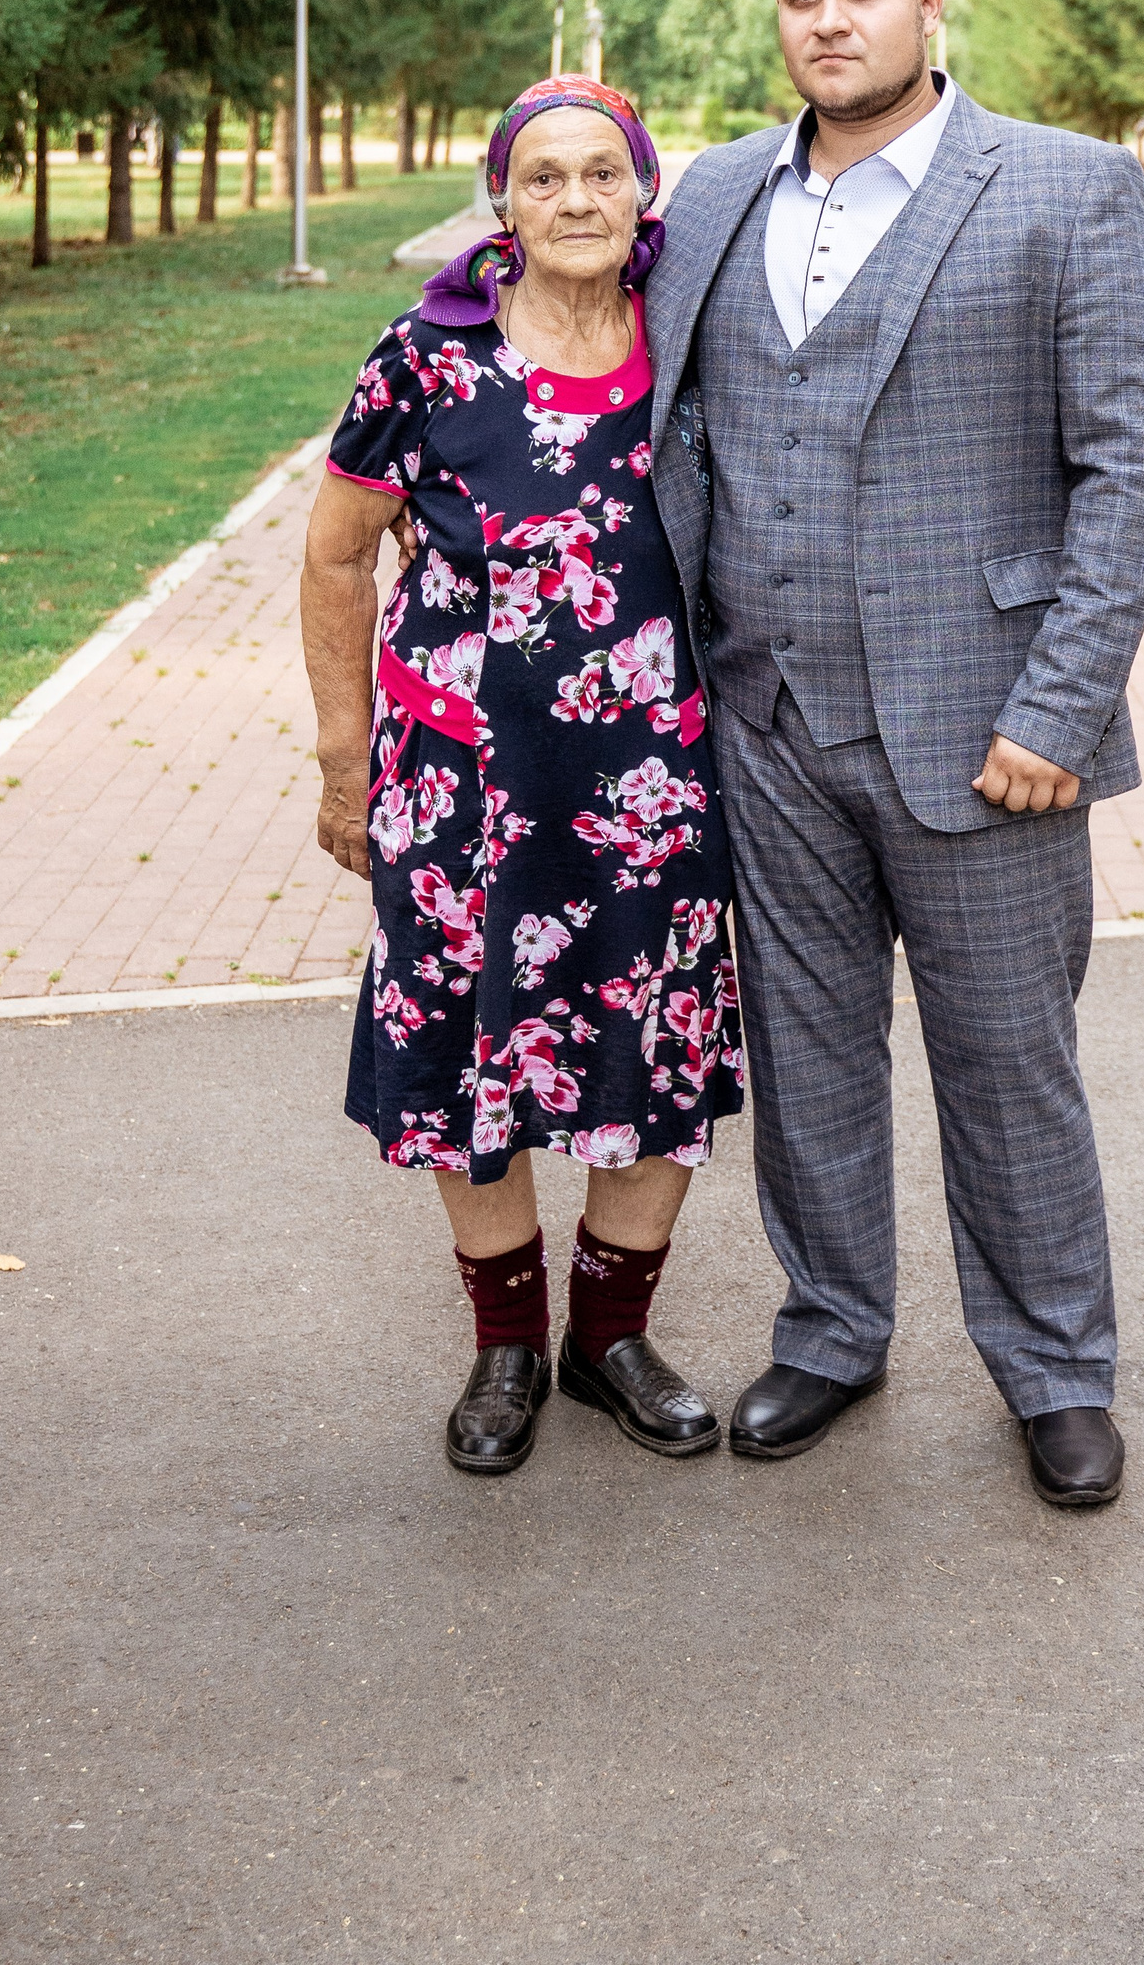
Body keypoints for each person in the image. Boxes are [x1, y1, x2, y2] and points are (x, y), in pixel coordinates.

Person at [644, 0, 1144, 1509]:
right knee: (807, 1057)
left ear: (929, 4)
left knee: (1009, 1068)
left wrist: (1059, 710)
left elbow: (1131, 471)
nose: (831, 20)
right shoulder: (716, 194)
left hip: (985, 732)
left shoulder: (1067, 189)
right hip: (764, 721)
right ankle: (831, 1329)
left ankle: (1057, 1372)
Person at [301, 79, 744, 1478]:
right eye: (542, 176)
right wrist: (344, 758)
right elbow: (336, 554)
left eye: (602, 173)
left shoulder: (689, 341)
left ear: (643, 192)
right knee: (465, 1047)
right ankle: (506, 1350)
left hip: (652, 784)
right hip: (463, 788)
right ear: (503, 200)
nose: (574, 199)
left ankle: (609, 1340)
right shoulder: (427, 360)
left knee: (653, 1039)